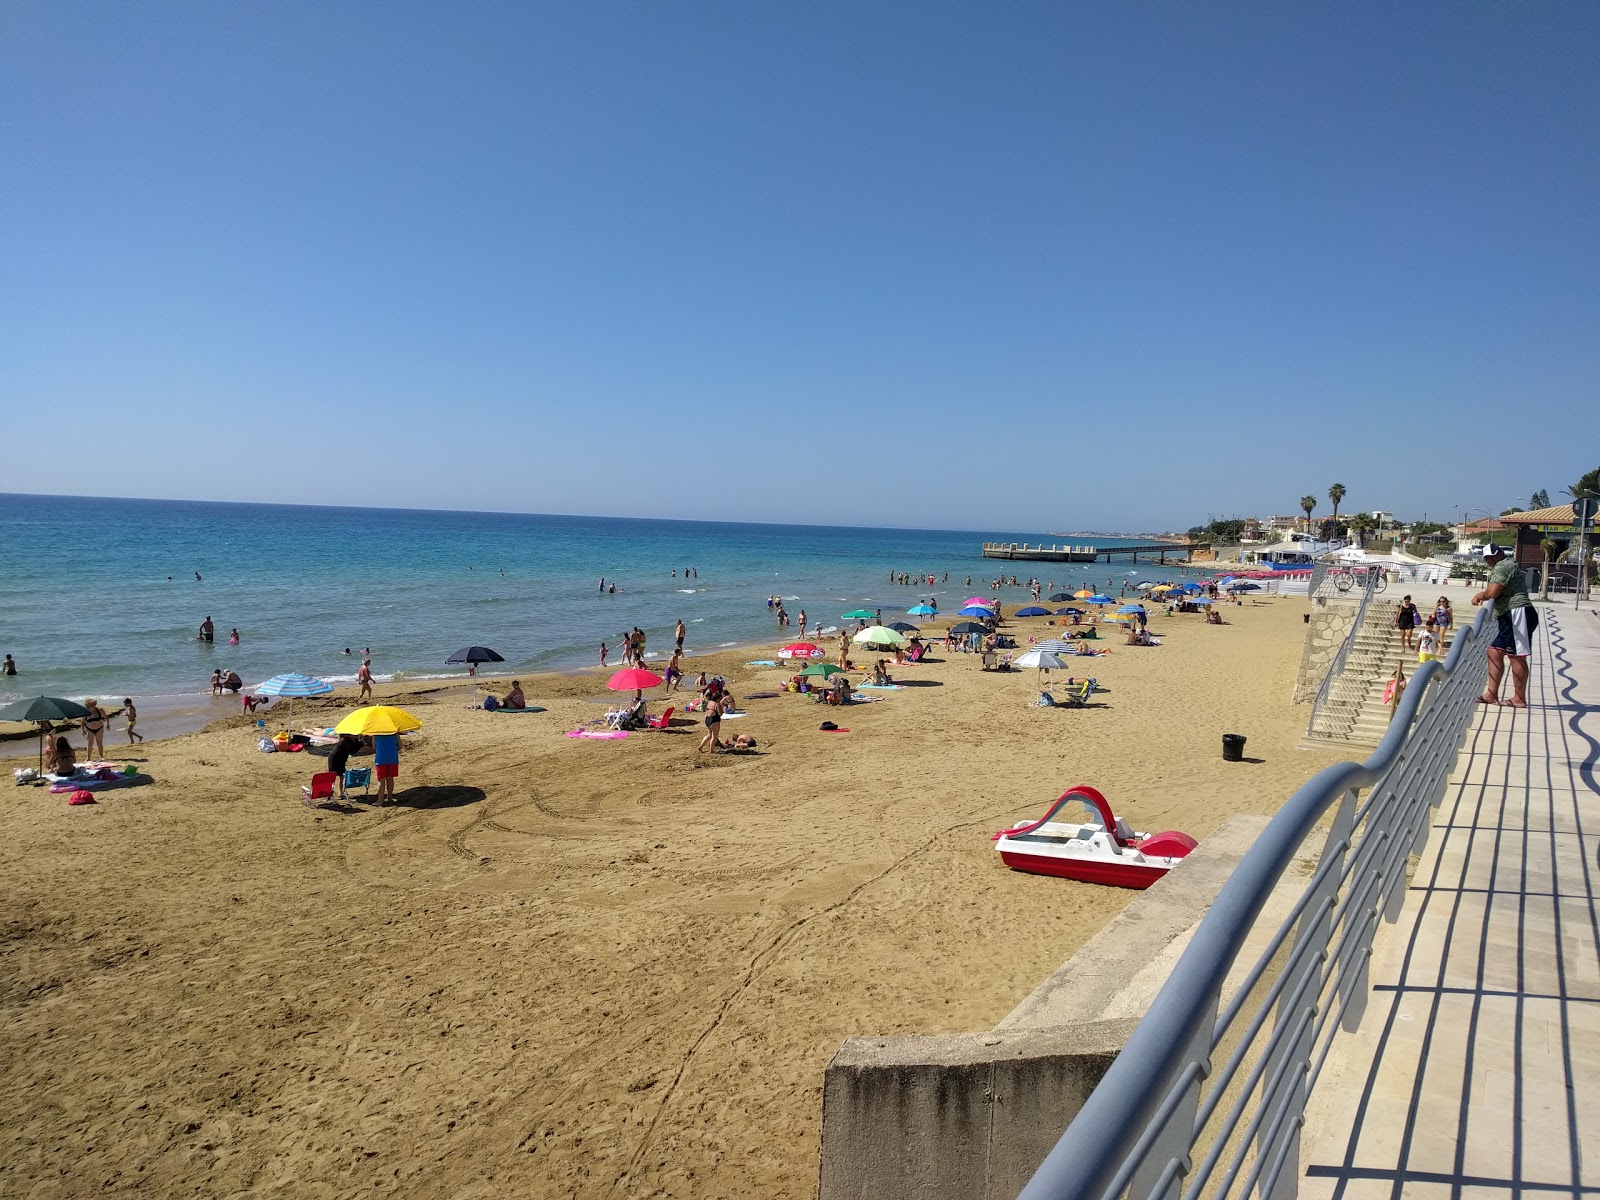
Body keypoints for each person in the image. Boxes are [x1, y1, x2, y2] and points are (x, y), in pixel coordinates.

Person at [1472, 543, 1538, 707]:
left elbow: (1493, 592)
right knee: (1494, 651)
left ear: (1499, 554)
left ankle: (1519, 699)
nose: (1491, 559)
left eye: (1493, 556)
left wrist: (1481, 595)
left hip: (1516, 613)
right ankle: (1491, 694)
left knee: (1517, 657)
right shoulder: (1507, 564)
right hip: (1510, 615)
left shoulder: (1503, 567)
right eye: (1489, 557)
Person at [328, 733, 361, 800]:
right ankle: (329, 793)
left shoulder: (352, 740)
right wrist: (360, 744)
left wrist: (359, 743)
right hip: (334, 758)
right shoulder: (345, 740)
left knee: (341, 775)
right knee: (332, 776)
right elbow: (352, 751)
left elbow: (353, 750)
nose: (357, 735)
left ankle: (340, 793)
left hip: (342, 759)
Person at [372, 730, 400, 804]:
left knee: (381, 780)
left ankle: (380, 800)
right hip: (393, 759)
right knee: (390, 778)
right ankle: (389, 797)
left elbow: (374, 747)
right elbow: (400, 746)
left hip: (381, 760)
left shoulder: (375, 735)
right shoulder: (394, 733)